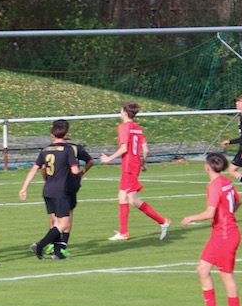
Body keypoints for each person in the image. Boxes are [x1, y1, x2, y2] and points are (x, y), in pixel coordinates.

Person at [181, 152, 242, 306]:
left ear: (207, 167)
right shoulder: (226, 181)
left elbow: (210, 213)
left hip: (225, 235)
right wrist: (227, 215)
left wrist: (191, 218)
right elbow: (238, 201)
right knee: (202, 269)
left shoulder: (214, 186)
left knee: (226, 275)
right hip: (220, 234)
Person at [99, 101, 171, 241]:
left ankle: (163, 221)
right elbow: (146, 149)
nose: (120, 113)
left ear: (125, 113)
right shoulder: (138, 128)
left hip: (128, 166)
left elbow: (124, 148)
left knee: (133, 199)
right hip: (135, 165)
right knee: (123, 196)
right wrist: (143, 163)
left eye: (121, 111)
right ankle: (123, 232)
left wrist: (108, 159)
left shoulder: (123, 127)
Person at [19, 119, 80, 259]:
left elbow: (34, 169)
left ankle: (57, 252)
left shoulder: (45, 150)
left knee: (57, 222)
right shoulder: (67, 150)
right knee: (64, 223)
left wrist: (24, 188)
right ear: (65, 133)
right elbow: (75, 170)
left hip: (48, 190)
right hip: (61, 190)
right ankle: (39, 245)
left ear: (52, 133)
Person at [60, 125, 95, 258]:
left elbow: (44, 167)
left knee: (54, 214)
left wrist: (46, 179)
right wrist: (81, 173)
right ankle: (62, 244)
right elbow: (90, 161)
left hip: (54, 184)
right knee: (68, 213)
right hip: (71, 183)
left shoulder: (51, 147)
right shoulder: (75, 147)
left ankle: (53, 243)